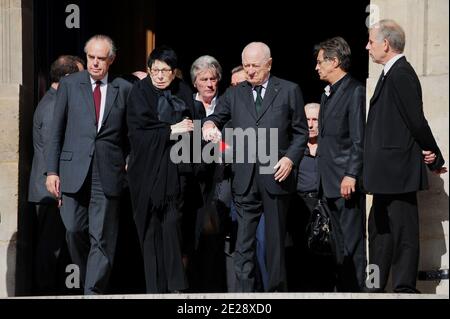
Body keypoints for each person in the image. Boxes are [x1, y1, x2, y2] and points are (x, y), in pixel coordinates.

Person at [203, 42, 308, 292]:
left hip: (276, 176)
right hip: (245, 177)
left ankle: (275, 294)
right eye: (246, 65)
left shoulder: (289, 90)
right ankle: (244, 296)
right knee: (243, 244)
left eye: (255, 66)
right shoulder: (235, 93)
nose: (249, 71)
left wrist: (290, 159)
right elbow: (216, 117)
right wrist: (208, 124)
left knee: (274, 244)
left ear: (269, 64)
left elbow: (301, 132)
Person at [365, 19, 446, 293]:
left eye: (371, 41)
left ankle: (403, 288)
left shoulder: (401, 73)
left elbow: (416, 120)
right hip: (384, 173)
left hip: (398, 171)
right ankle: (374, 286)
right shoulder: (390, 73)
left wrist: (434, 154)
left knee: (403, 232)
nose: (367, 47)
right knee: (379, 232)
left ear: (385, 44)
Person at [46, 35, 132, 295]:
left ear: (111, 60)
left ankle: (92, 291)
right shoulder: (70, 85)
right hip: (73, 171)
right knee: (73, 230)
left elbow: (131, 134)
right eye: (91, 58)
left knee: (102, 238)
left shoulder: (124, 88)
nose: (95, 63)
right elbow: (56, 132)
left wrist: (128, 162)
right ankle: (90, 277)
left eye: (101, 58)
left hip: (108, 172)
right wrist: (51, 171)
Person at [126, 46, 194, 293]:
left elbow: (193, 128)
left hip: (176, 171)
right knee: (150, 228)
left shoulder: (183, 91)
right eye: (155, 70)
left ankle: (176, 286)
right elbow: (137, 133)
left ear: (175, 72)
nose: (160, 75)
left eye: (166, 70)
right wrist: (170, 130)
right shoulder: (139, 93)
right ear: (149, 70)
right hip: (145, 172)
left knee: (173, 225)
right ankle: (154, 289)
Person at [314, 36, 366, 291]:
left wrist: (351, 174)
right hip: (328, 182)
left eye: (320, 62)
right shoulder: (327, 94)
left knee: (353, 242)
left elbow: (358, 138)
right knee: (338, 244)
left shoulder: (355, 91)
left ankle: (358, 292)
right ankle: (345, 291)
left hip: (345, 181)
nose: (317, 67)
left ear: (334, 62)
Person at [28, 55, 82, 295]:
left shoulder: (58, 102)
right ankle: (46, 292)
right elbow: (54, 149)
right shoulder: (52, 107)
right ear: (69, 78)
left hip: (55, 190)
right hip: (51, 191)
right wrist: (59, 184)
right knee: (51, 248)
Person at [286, 102, 336, 292]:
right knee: (299, 255)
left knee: (326, 255)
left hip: (324, 205)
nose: (311, 124)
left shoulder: (330, 148)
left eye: (315, 119)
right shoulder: (293, 150)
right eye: (307, 120)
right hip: (298, 206)